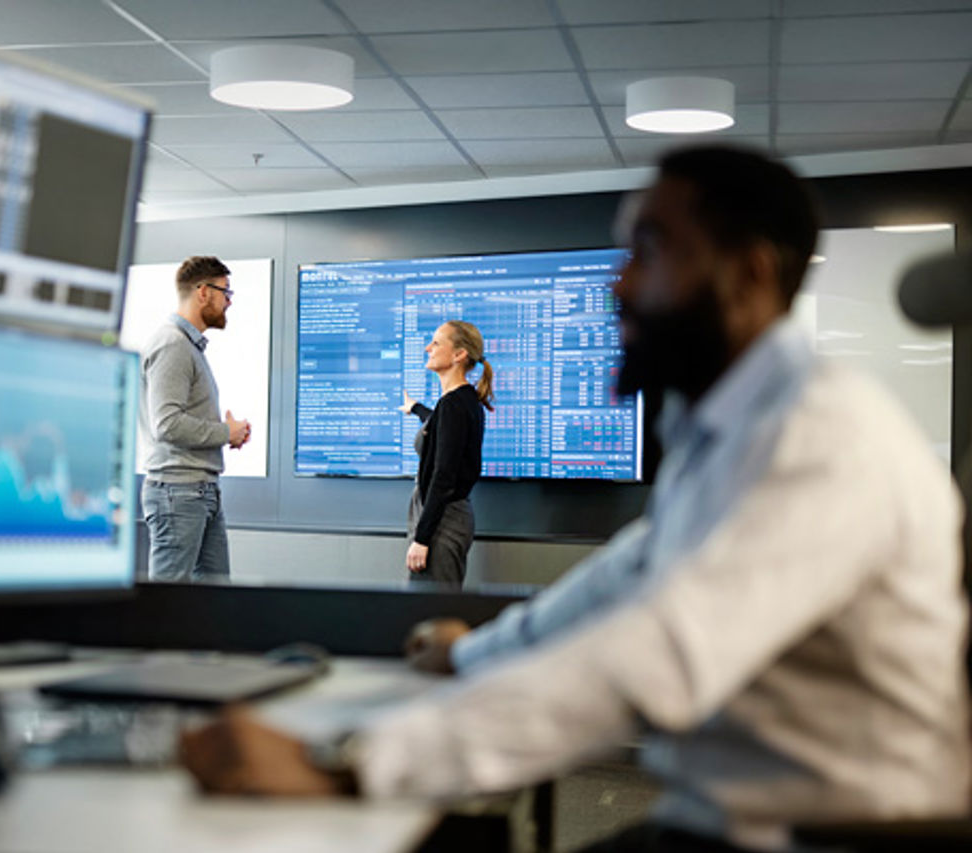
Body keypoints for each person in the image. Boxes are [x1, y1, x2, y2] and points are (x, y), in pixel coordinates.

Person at [179, 146, 971, 851]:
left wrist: (361, 763)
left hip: (830, 834)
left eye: (651, 251)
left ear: (752, 273)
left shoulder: (817, 437)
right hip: (730, 815)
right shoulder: (730, 422)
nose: (621, 281)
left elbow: (657, 655)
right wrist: (476, 651)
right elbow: (632, 572)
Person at [139, 256, 250, 582]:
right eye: (225, 292)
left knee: (213, 605)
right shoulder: (172, 345)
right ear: (203, 292)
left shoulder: (188, 347)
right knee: (168, 608)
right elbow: (168, 424)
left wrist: (230, 433)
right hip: (178, 494)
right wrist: (223, 432)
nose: (229, 301)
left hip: (200, 491)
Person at [399, 320, 493, 587]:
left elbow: (444, 475)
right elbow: (440, 428)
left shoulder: (454, 404)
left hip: (440, 522)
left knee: (432, 612)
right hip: (443, 517)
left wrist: (422, 538)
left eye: (436, 343)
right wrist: (416, 408)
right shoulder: (461, 401)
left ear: (459, 355)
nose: (428, 348)